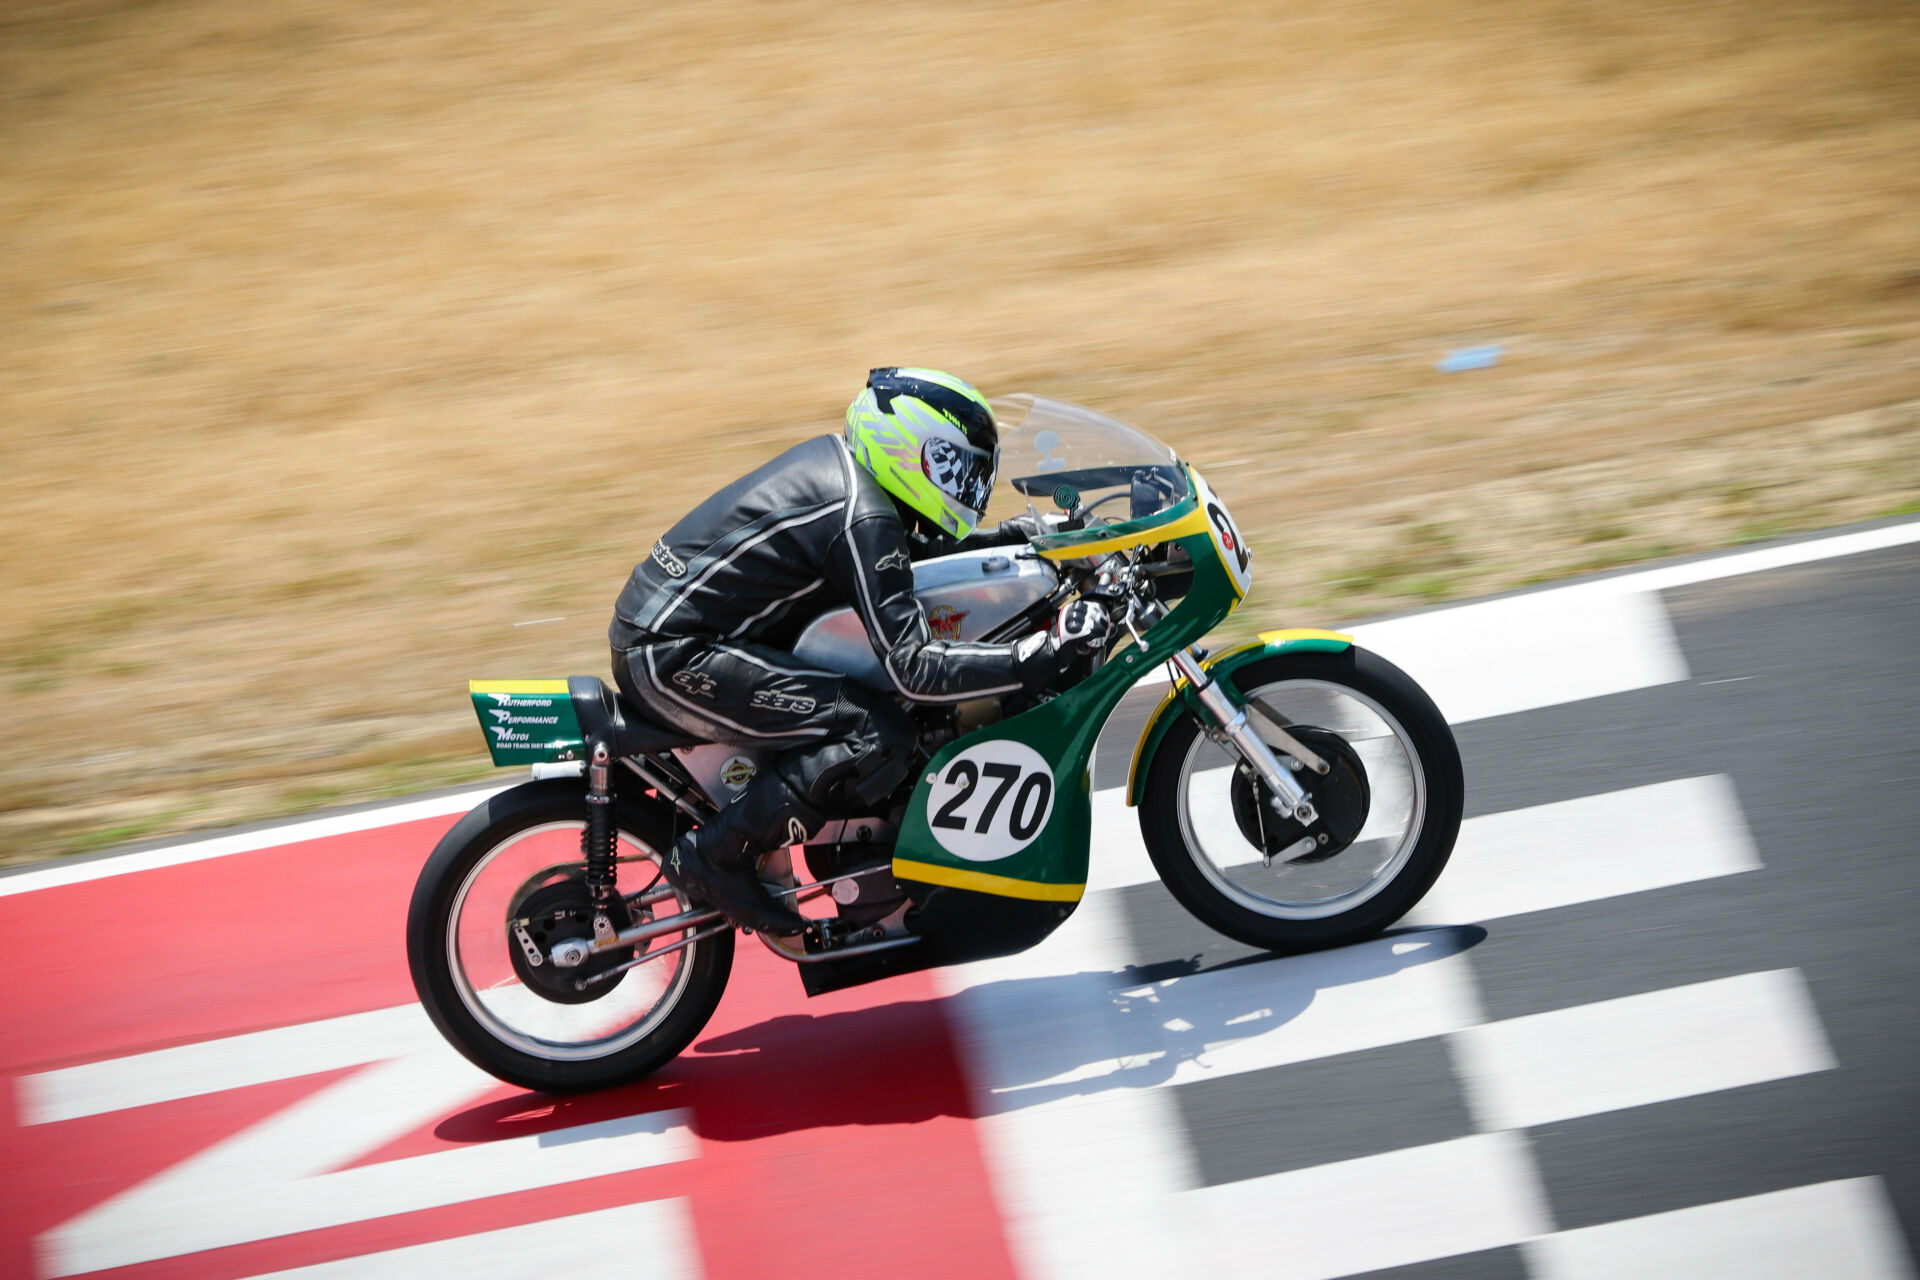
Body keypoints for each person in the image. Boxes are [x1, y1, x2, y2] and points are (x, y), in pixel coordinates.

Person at [608, 368, 1108, 935]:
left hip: (678, 632)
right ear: (909, 451)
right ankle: (715, 855)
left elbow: (910, 555)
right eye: (956, 468)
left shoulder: (851, 481)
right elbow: (915, 668)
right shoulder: (862, 514)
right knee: (877, 731)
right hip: (674, 656)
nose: (971, 487)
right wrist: (1040, 654)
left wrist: (1020, 538)